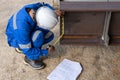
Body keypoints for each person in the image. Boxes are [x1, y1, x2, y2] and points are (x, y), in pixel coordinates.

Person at [5, 2, 62, 70]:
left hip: (25, 32)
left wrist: (53, 11)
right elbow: (28, 50)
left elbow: (43, 5)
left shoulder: (35, 9)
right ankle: (30, 59)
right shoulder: (21, 28)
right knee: (38, 36)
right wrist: (46, 52)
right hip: (15, 38)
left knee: (49, 35)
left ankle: (22, 47)